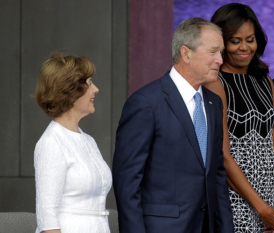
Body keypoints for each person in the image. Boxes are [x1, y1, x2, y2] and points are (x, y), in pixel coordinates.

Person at [112, 18, 234, 233]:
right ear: (186, 53)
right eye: (213, 51)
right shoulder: (146, 102)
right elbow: (127, 182)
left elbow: (217, 177)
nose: (220, 60)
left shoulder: (214, 104)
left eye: (221, 52)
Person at [204, 3, 274, 232]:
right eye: (235, 41)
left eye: (250, 39)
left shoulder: (266, 82)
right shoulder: (214, 84)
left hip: (273, 205)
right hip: (237, 204)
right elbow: (222, 156)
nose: (244, 47)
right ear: (221, 43)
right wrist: (262, 209)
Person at [34, 53, 112, 233]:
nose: (96, 89)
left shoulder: (88, 141)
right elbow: (47, 217)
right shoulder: (51, 142)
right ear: (71, 91)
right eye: (90, 83)